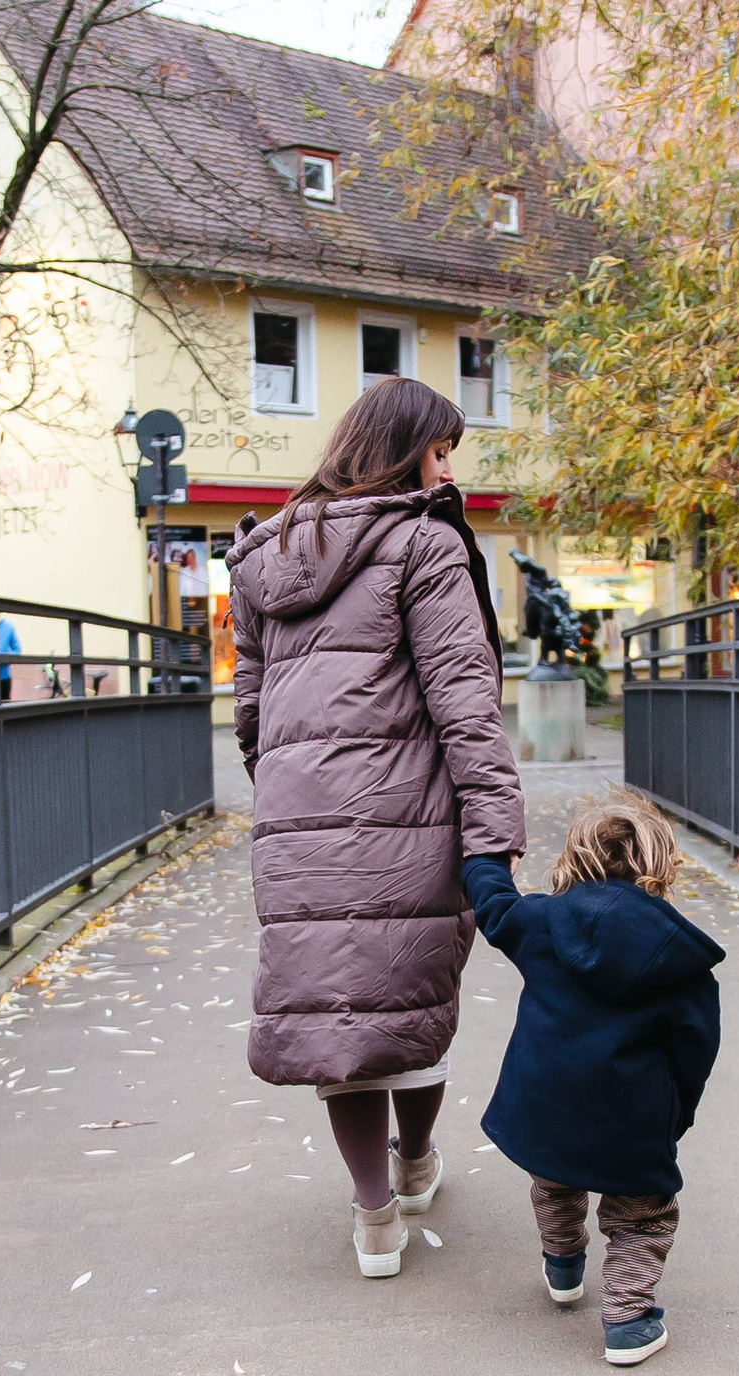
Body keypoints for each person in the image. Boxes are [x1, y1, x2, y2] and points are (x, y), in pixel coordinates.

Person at [227, 376, 523, 1277]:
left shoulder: (262, 557)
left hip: (298, 822)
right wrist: (493, 827)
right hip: (410, 813)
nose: (445, 471)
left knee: (335, 1013)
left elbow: (250, 711)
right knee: (409, 996)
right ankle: (418, 1159)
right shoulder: (423, 544)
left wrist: (291, 791)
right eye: (440, 452)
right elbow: (465, 703)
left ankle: (374, 1215)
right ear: (407, 451)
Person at [460, 795, 723, 1364]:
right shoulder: (679, 961)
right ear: (661, 865)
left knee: (554, 1181)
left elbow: (493, 904)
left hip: (543, 1105)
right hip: (632, 1115)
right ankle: (628, 1320)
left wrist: (484, 856)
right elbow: (695, 1049)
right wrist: (676, 1115)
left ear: (574, 860)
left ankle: (562, 1264)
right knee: (641, 1214)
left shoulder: (541, 924)